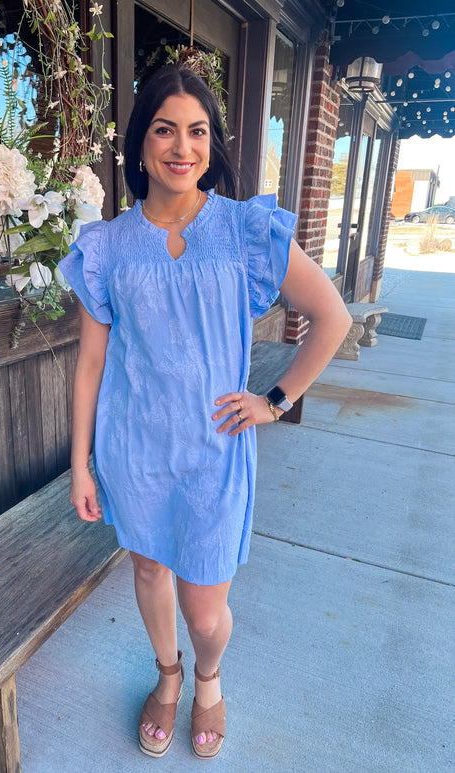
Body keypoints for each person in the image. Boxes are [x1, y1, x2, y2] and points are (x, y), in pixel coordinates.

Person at [58, 64, 351, 760]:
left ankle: (210, 675)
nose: (181, 146)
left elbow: (331, 315)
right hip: (134, 449)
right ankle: (168, 674)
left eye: (196, 130)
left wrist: (275, 401)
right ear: (141, 144)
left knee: (206, 606)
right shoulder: (106, 247)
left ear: (212, 144)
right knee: (151, 572)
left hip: (216, 452)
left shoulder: (243, 232)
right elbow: (92, 364)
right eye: (165, 129)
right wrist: (81, 463)